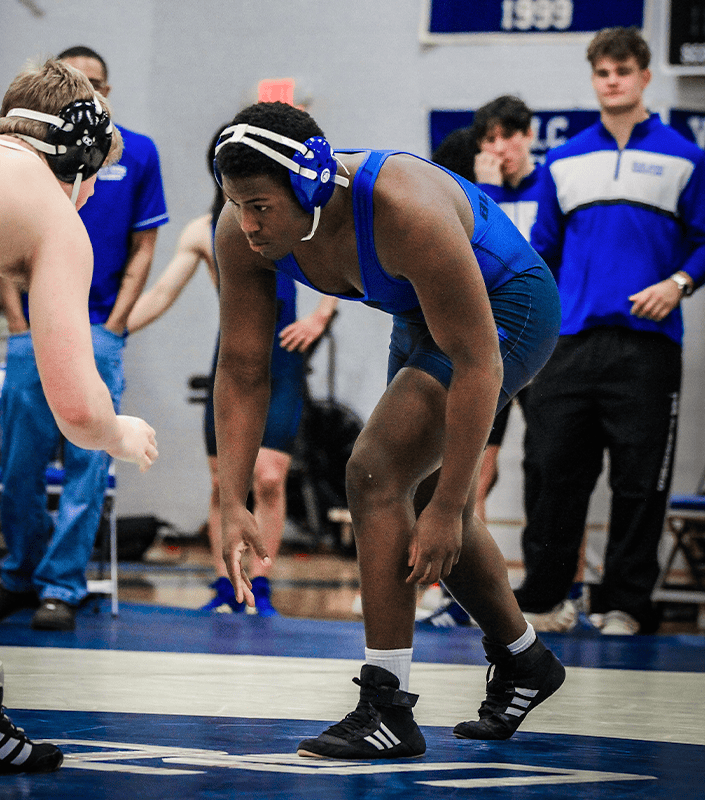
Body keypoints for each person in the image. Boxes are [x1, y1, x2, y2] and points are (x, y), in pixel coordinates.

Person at [211, 101, 565, 759]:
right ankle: (524, 659)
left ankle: (387, 707)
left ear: (312, 184)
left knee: (375, 472)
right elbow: (241, 367)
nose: (248, 224)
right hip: (418, 308)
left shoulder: (404, 209)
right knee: (406, 488)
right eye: (235, 203)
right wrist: (233, 498)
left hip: (508, 306)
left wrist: (452, 504)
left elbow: (478, 362)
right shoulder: (238, 232)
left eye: (259, 205)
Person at [0, 58, 157, 774]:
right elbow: (76, 411)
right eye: (97, 181)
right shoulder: (50, 212)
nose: (89, 199)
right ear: (78, 162)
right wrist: (119, 431)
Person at [514, 27, 705, 636]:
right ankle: (543, 601)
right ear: (593, 79)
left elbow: (704, 242)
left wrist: (677, 282)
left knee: (639, 481)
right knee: (551, 473)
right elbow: (539, 253)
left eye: (623, 69)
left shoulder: (686, 157)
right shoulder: (564, 160)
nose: (613, 80)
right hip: (567, 347)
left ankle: (624, 604)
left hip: (648, 349)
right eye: (603, 72)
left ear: (645, 76)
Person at [128, 128, 337, 616]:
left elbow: (341, 264)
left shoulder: (296, 222)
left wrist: (320, 316)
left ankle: (259, 586)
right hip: (234, 361)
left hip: (282, 362)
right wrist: (113, 330)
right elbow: (160, 294)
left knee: (268, 478)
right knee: (225, 482)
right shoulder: (205, 230)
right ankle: (227, 586)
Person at [0, 46, 168, 632]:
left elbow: (146, 247)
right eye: (78, 85)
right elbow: (0, 238)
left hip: (96, 326)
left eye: (96, 85)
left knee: (86, 460)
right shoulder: (12, 159)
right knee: (19, 461)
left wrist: (117, 323)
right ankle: (18, 572)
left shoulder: (133, 152)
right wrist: (17, 322)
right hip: (27, 327)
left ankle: (60, 584)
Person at [470, 96, 542, 525]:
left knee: (553, 469)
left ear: (529, 135)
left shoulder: (552, 187)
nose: (499, 148)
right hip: (493, 343)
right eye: (489, 139)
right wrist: (489, 192)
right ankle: (458, 586)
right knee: (476, 472)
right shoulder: (477, 197)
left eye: (508, 136)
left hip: (546, 344)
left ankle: (562, 583)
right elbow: (478, 261)